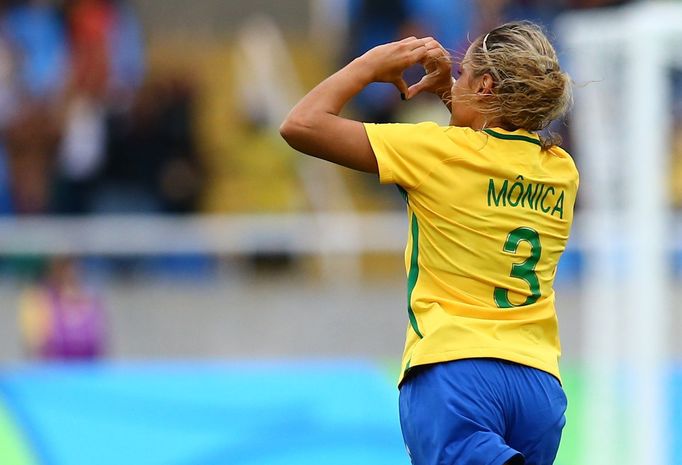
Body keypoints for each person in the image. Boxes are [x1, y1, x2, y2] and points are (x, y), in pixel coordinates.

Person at [280, 20, 577, 465]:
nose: (454, 81)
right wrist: (453, 95)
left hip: (456, 375)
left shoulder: (431, 151)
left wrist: (368, 64)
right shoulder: (562, 171)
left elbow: (301, 124)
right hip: (539, 389)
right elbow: (486, 151)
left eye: (464, 74)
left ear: (486, 87)